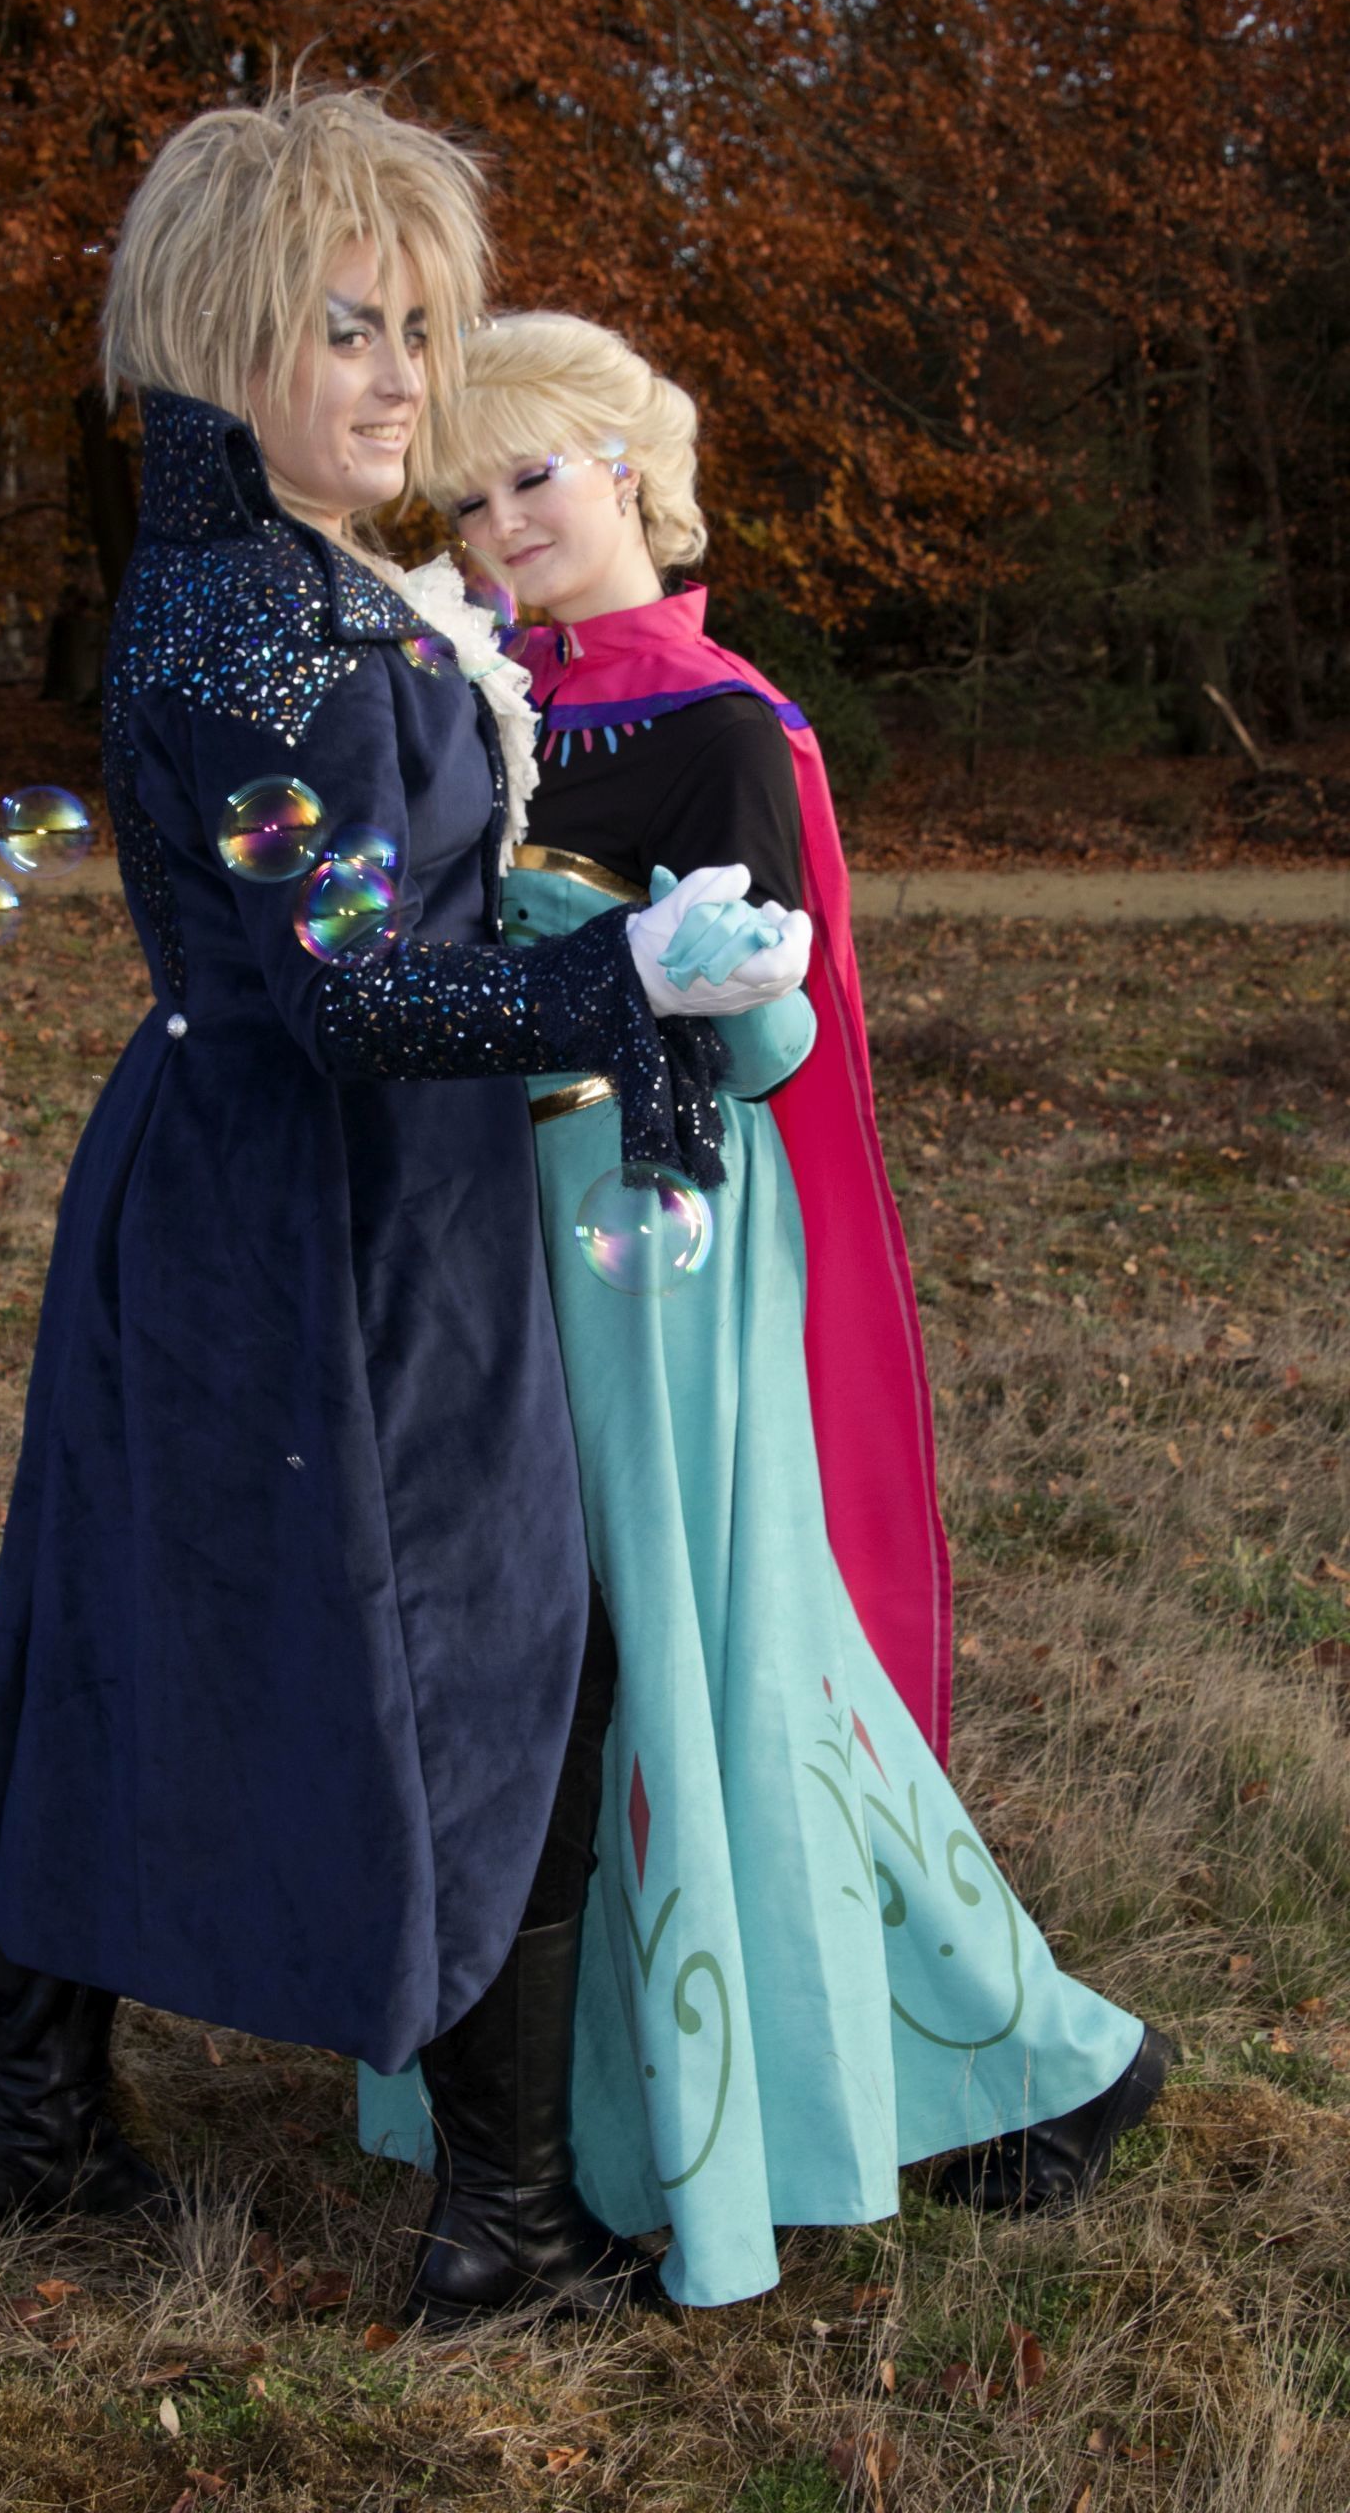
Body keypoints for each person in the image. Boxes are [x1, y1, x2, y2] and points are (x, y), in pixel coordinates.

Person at [0, 94, 806, 2320]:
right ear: (223, 337)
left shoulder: (272, 574)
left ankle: (38, 2123)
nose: (406, 380)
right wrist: (625, 978)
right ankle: (498, 2226)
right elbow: (351, 995)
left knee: (132, 1620)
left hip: (241, 1179)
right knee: (508, 1656)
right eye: (349, 329)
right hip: (338, 1218)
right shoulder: (276, 621)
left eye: (418, 327)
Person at [358, 311, 1172, 2309]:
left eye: (534, 477)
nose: (500, 523)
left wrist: (704, 971)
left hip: (660, 1252)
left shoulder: (722, 728)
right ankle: (599, 2117)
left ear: (630, 473)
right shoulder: (480, 702)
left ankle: (1002, 2066)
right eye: (467, 498)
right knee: (565, 1659)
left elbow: (761, 1051)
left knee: (690, 1652)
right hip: (503, 1239)